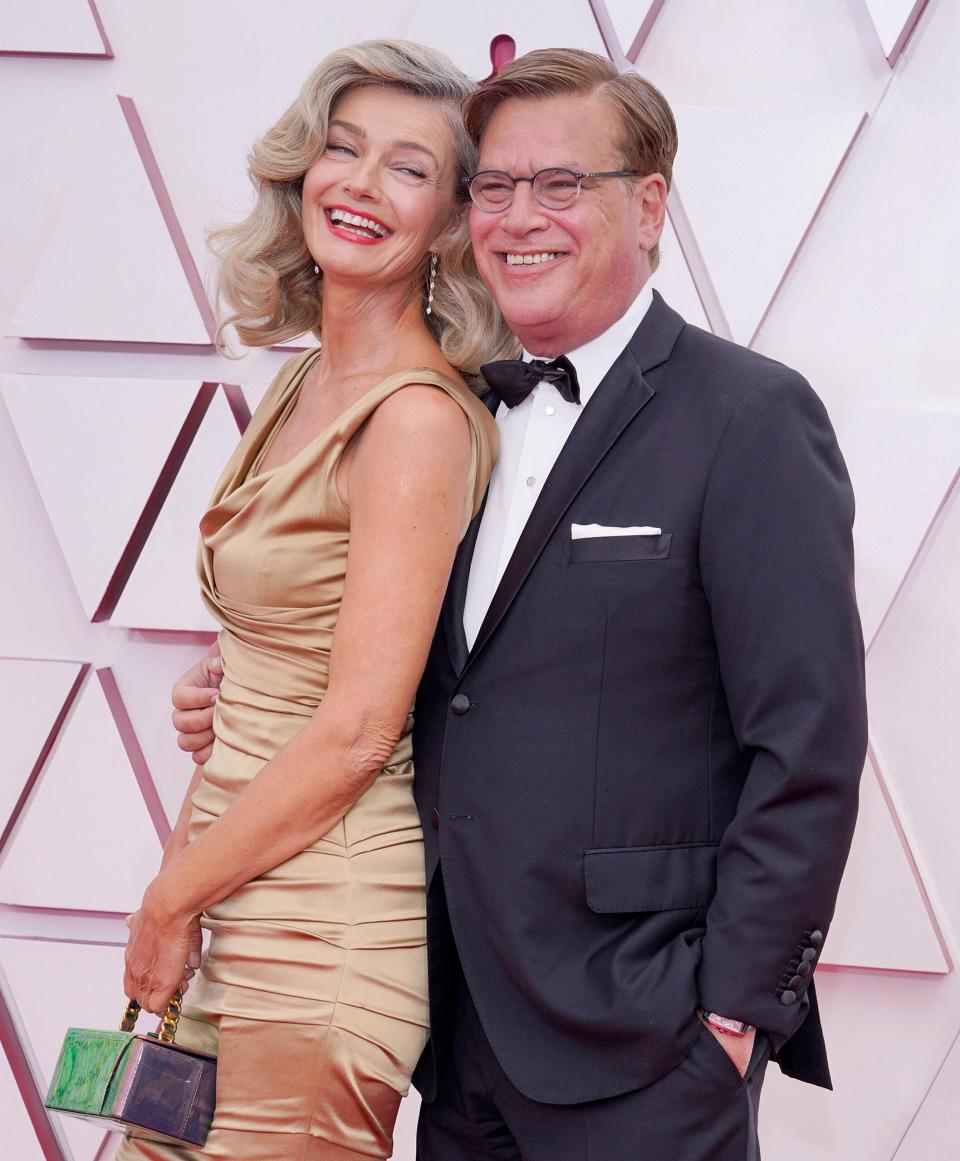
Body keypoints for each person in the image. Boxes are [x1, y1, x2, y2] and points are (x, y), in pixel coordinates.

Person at [174, 48, 867, 1161]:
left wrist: (734, 1016)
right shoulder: (456, 415)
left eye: (561, 185)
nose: (519, 217)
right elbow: (399, 675)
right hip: (453, 1029)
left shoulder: (748, 417)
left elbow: (810, 746)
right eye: (494, 187)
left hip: (645, 1040)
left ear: (648, 205)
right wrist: (235, 688)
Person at [118, 39, 512, 1161]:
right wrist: (225, 687)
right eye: (343, 149)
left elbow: (353, 734)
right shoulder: (301, 378)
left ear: (447, 224)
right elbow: (298, 644)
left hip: (319, 933)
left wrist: (165, 902)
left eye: (406, 167)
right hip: (228, 888)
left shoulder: (414, 420)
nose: (357, 183)